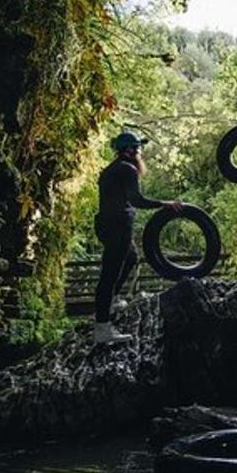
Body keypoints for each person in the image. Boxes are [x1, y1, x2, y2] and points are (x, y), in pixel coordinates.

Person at [93, 131, 181, 344]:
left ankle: (112, 300)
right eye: (137, 148)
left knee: (131, 258)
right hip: (118, 226)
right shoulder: (128, 169)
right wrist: (165, 203)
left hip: (108, 224)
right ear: (129, 150)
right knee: (109, 275)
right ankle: (102, 328)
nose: (140, 152)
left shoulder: (112, 169)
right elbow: (136, 199)